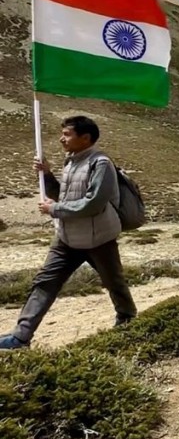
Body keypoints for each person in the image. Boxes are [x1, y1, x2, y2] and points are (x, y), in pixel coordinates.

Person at [0, 116, 136, 350]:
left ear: (85, 138)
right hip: (66, 238)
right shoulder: (71, 161)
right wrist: (47, 174)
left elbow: (93, 203)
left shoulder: (101, 163)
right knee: (44, 283)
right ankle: (21, 337)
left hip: (98, 239)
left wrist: (54, 209)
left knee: (114, 283)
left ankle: (128, 321)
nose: (62, 139)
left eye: (67, 134)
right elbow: (63, 195)